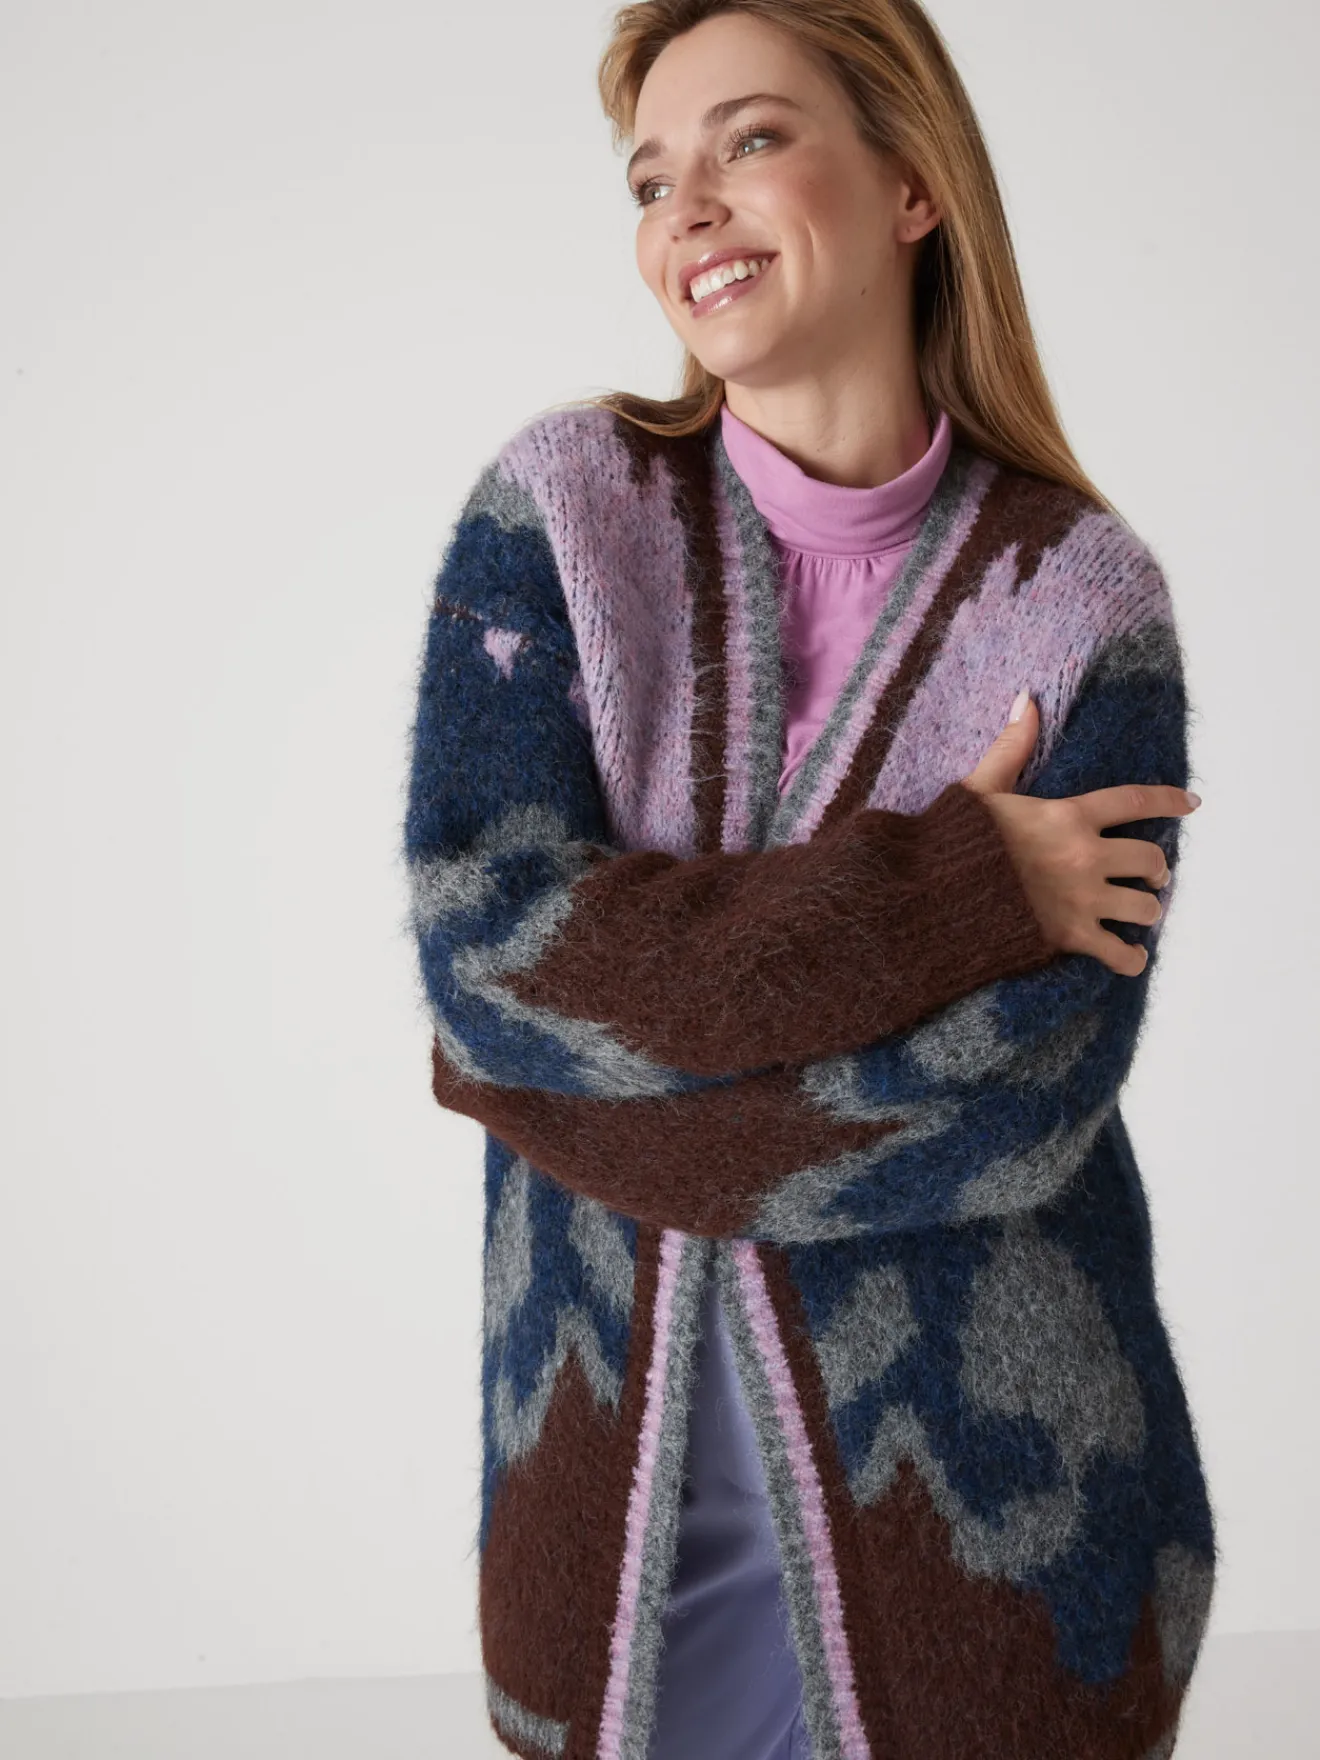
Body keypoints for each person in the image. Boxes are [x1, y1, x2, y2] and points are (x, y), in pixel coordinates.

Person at [401, 3, 1218, 1757]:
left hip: (1000, 1587)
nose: (687, 209)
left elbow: (1011, 1104)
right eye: (651, 179)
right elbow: (489, 951)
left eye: (752, 140)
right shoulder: (563, 519)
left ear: (913, 182)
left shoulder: (1084, 605)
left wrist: (548, 1076)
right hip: (608, 1576)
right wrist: (952, 888)